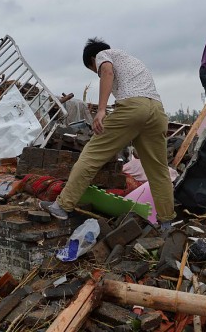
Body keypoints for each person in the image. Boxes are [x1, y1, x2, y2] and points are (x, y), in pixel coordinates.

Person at [40, 38, 176, 226]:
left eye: (92, 69)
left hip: (133, 107)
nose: (96, 73)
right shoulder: (134, 61)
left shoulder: (104, 55)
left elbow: (106, 71)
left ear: (92, 59)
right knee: (159, 170)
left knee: (91, 156)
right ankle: (167, 223)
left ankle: (62, 206)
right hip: (158, 112)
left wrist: (102, 110)